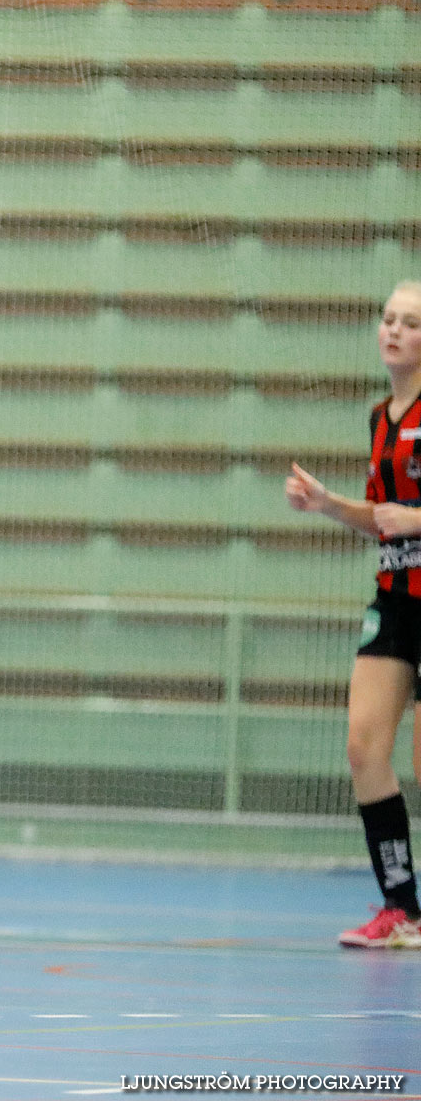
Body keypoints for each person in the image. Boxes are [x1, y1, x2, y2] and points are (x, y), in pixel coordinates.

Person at [286, 280, 421, 951]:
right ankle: (402, 910)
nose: (393, 331)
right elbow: (381, 519)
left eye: (411, 323)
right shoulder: (380, 419)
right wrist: (329, 505)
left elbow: (407, 517)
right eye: (388, 319)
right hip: (396, 600)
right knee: (364, 748)